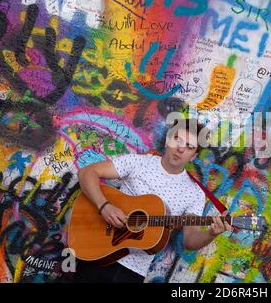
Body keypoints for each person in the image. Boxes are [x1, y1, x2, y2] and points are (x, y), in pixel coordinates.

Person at [74, 119, 232, 283]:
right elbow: (87, 172)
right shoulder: (139, 162)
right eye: (177, 139)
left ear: (194, 156)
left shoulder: (195, 193)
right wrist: (104, 206)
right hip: (97, 251)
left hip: (133, 272)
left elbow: (189, 240)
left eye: (190, 147)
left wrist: (211, 233)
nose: (180, 148)